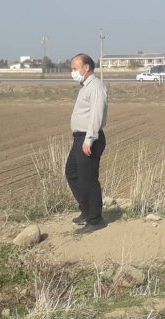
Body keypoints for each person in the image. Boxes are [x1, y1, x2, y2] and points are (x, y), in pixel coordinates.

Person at [65, 53, 108, 234]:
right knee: (72, 173)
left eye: (75, 68)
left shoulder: (96, 86)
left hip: (90, 138)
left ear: (86, 67)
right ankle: (86, 210)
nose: (73, 72)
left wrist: (89, 139)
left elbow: (96, 115)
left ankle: (95, 219)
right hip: (80, 138)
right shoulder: (85, 86)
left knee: (88, 179)